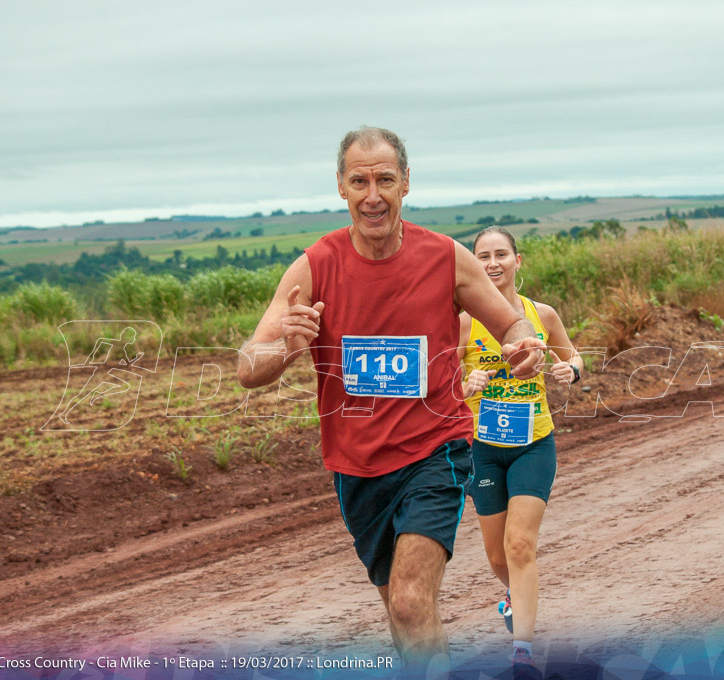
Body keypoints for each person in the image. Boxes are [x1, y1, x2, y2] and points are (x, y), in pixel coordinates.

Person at [236, 126, 547, 680]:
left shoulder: (445, 258)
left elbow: (511, 321)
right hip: (356, 467)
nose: (372, 193)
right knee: (402, 615)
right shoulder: (314, 266)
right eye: (360, 180)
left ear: (406, 183)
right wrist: (286, 347)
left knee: (408, 601)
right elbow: (247, 367)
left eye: (384, 179)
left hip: (435, 451)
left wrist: (525, 343)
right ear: (341, 187)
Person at [457, 227, 583, 679]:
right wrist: (463, 384)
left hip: (534, 443)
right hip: (484, 452)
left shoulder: (541, 314)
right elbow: (440, 383)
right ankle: (515, 596)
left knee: (519, 544)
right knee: (497, 556)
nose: (493, 263)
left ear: (517, 260)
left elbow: (575, 357)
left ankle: (522, 653)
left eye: (501, 255)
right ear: (472, 263)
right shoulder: (465, 323)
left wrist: (570, 369)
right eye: (483, 256)